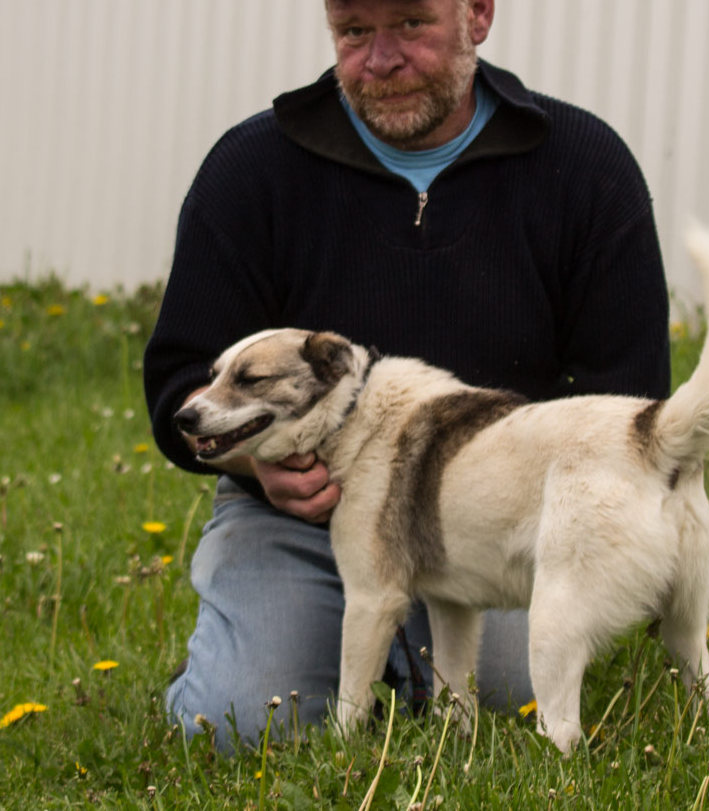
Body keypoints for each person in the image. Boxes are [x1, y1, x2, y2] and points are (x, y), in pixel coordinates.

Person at [144, 0, 670, 752]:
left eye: (411, 24)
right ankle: (323, 641)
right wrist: (255, 467)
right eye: (354, 31)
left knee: (510, 705)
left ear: (478, 15)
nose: (380, 59)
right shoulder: (252, 169)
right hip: (297, 518)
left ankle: (396, 654)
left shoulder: (584, 167)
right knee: (236, 722)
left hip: (505, 522)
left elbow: (632, 399)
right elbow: (177, 383)